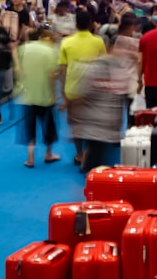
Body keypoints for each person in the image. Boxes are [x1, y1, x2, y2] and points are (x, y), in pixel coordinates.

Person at [59, 10, 107, 165]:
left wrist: (63, 92)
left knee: (76, 124)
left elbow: (62, 69)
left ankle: (79, 154)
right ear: (91, 24)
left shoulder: (66, 42)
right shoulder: (98, 41)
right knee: (93, 123)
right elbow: (104, 66)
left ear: (75, 24)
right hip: (94, 90)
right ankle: (90, 152)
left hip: (73, 89)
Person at [17, 28, 61, 168]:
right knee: (48, 125)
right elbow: (52, 75)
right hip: (44, 95)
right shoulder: (50, 50)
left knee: (30, 127)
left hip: (28, 95)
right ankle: (48, 154)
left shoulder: (22, 49)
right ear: (42, 37)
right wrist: (54, 95)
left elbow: (18, 71)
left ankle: (30, 158)